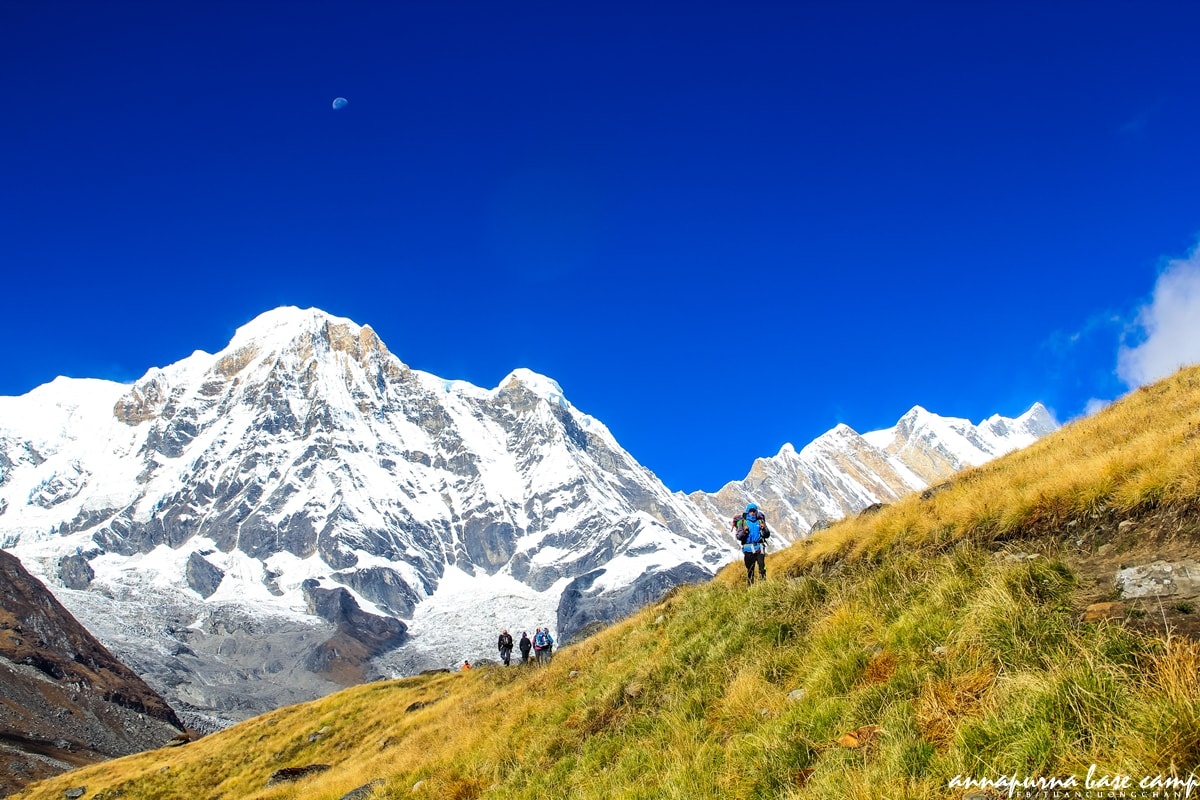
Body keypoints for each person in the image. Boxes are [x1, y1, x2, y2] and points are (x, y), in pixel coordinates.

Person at [732, 502, 770, 585]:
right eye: (751, 511)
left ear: (756, 511)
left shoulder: (760, 521)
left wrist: (764, 529)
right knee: (750, 570)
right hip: (748, 550)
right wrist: (744, 531)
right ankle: (750, 587)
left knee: (762, 568)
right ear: (747, 512)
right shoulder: (743, 522)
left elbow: (767, 535)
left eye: (754, 511)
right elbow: (739, 536)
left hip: (759, 548)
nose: (752, 513)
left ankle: (764, 585)